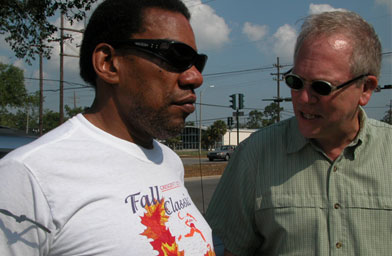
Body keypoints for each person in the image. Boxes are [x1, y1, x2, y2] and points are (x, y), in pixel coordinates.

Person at [0, 0, 216, 255]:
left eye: (197, 62)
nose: (195, 77)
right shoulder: (28, 175)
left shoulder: (169, 161)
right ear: (109, 63)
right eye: (176, 55)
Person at [206, 10, 392, 255]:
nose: (304, 99)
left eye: (321, 87)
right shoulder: (255, 155)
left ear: (366, 89)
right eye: (295, 82)